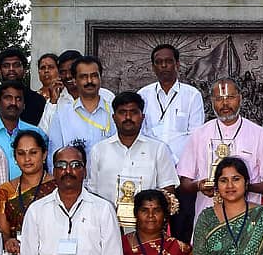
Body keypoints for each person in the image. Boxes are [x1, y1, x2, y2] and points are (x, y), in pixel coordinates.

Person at [178, 78, 263, 221]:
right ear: (212, 102)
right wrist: (199, 185)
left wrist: (241, 187)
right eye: (219, 98)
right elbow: (184, 183)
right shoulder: (199, 135)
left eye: (230, 97)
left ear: (240, 98)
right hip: (208, 218)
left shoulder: (259, 134)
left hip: (248, 220)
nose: (225, 103)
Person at [86, 91, 179, 223]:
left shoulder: (158, 149)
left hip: (147, 226)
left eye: (134, 112)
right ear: (113, 117)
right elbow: (91, 191)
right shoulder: (99, 150)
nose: (128, 117)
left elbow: (168, 190)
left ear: (142, 117)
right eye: (122, 112)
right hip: (105, 224)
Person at [139, 43, 206, 163]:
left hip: (182, 166)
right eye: (158, 62)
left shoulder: (192, 95)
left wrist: (177, 162)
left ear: (177, 64)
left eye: (168, 61)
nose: (163, 65)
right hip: (149, 164)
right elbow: (140, 133)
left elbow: (195, 136)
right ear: (153, 67)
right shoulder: (143, 95)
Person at [47, 56, 116, 165]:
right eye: (84, 77)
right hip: (74, 180)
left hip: (108, 179)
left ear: (100, 78)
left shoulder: (113, 111)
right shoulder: (62, 114)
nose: (89, 81)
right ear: (74, 80)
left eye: (94, 76)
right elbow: (53, 155)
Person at [0, 81, 46, 179]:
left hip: (30, 192)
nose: (13, 103)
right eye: (8, 98)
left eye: (18, 99)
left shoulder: (37, 133)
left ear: (24, 104)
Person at [0, 47, 47, 127]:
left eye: (16, 65)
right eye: (6, 66)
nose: (11, 69)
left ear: (25, 70)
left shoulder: (38, 101)